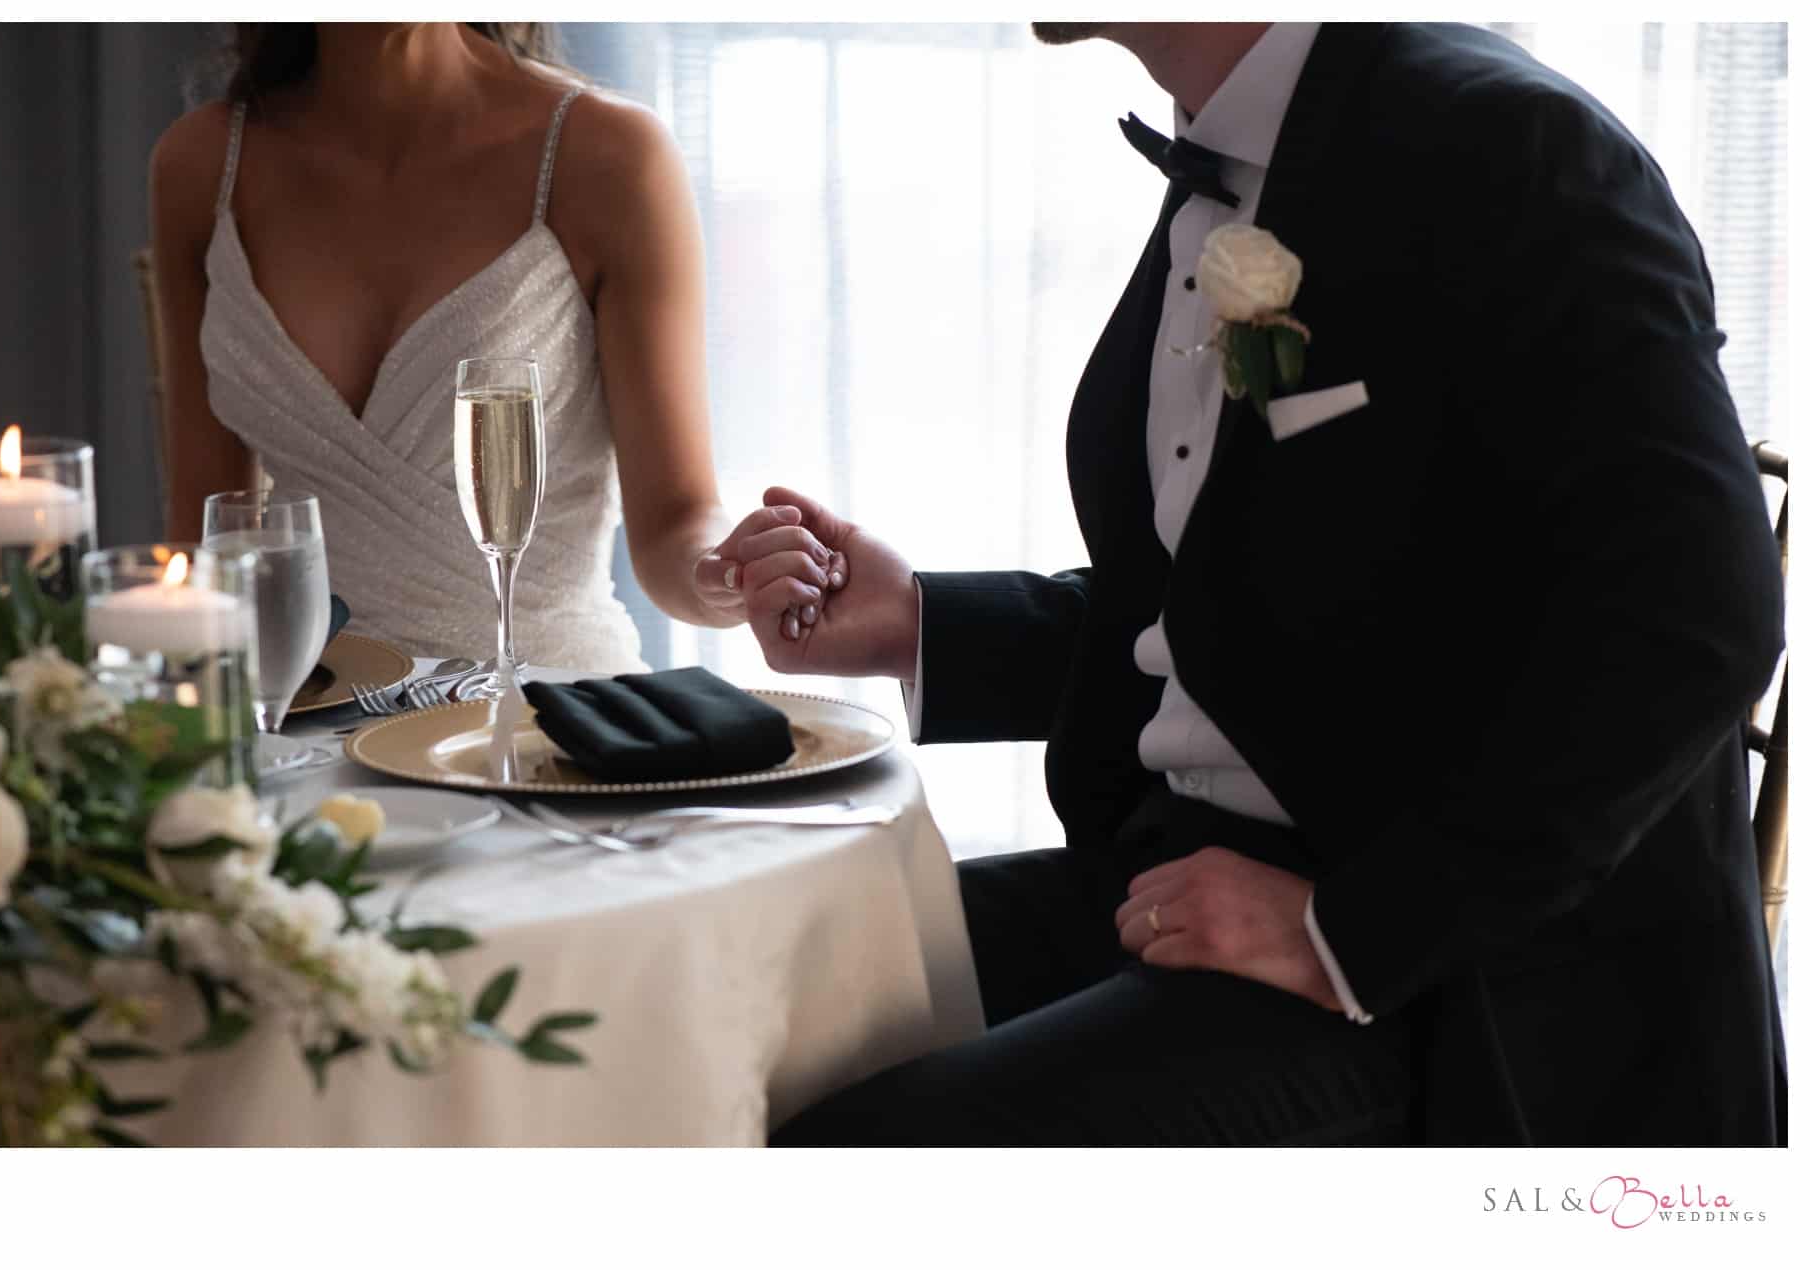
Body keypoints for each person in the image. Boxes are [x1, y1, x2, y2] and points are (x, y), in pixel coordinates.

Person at [737, 21, 1785, 1145]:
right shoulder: (1238, 151)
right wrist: (923, 625)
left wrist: (1350, 932)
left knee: (858, 1158)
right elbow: (1290, 601)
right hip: (1182, 872)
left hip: (1465, 982)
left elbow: (1698, 615)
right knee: (716, 992)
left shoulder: (1512, 146)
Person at [149, 22, 842, 668]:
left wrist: (729, 573)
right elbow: (206, 544)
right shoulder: (203, 167)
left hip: (549, 732)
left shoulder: (609, 157)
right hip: (309, 738)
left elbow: (675, 524)